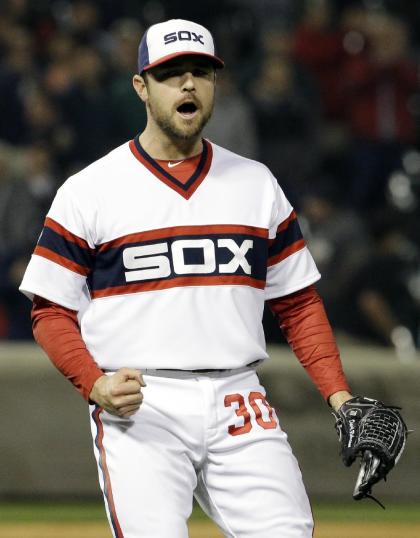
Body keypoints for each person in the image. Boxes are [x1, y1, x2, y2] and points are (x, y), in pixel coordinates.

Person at [20, 19, 353, 538]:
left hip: (239, 396)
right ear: (142, 87)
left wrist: (340, 396)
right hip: (141, 403)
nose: (189, 84)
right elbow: (50, 310)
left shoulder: (255, 183)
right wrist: (95, 384)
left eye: (200, 72)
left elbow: (299, 304)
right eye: (172, 73)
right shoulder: (91, 190)